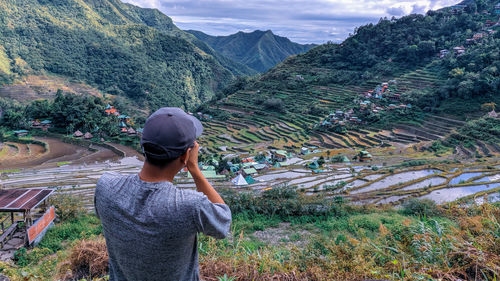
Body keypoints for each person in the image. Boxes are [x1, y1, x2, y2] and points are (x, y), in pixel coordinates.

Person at [95, 107, 232, 281]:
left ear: (143, 145)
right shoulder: (189, 206)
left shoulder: (106, 187)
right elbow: (223, 223)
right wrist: (195, 169)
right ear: (186, 155)